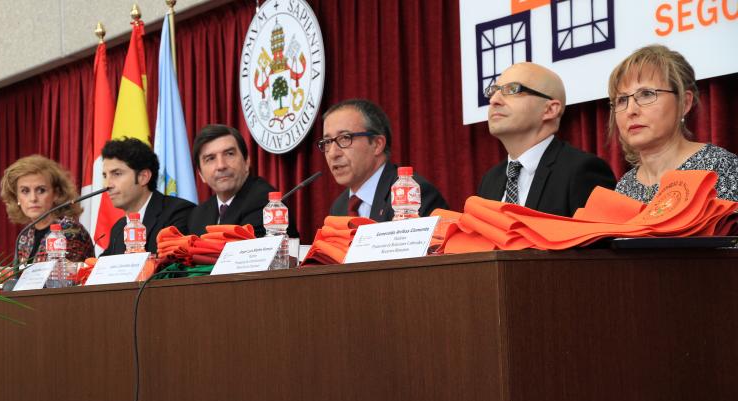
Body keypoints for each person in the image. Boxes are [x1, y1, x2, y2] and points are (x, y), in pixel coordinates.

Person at [477, 63, 616, 217]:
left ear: (550, 109)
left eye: (512, 89)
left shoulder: (582, 171)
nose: (494, 100)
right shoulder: (490, 180)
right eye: (493, 91)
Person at [608, 45, 738, 203]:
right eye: (622, 100)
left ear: (685, 103)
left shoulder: (720, 168)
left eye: (647, 94)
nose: (630, 110)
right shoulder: (623, 189)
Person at [318, 98, 449, 221]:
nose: (332, 153)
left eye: (345, 138)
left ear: (377, 144)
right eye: (327, 142)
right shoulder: (339, 207)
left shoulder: (411, 193)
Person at [187, 124, 298, 237]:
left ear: (246, 161)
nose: (221, 166)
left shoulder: (265, 205)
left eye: (229, 154)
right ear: (200, 174)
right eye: (210, 158)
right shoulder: (198, 215)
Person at [100, 137, 195, 256]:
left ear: (143, 177)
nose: (107, 185)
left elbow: (172, 266)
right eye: (105, 176)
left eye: (117, 174)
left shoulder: (178, 213)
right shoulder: (118, 229)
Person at [0, 155, 94, 263]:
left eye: (41, 190)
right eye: (25, 191)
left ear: (56, 194)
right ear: (17, 197)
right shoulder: (25, 236)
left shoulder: (69, 230)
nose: (33, 198)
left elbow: (62, 276)